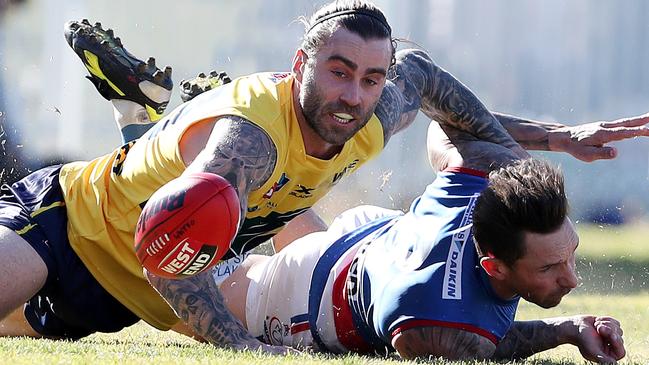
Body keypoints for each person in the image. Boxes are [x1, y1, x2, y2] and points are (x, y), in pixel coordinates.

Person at [0, 0, 644, 353]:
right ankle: (144, 120)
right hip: (71, 225)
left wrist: (557, 139)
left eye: (370, 78)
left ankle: (140, 116)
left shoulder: (376, 107)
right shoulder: (251, 140)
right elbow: (170, 260)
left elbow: (428, 84)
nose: (353, 95)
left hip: (125, 293)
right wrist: (253, 351)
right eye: (338, 71)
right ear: (301, 61)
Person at [214, 123, 625, 363]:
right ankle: (198, 166)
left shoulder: (485, 187)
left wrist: (559, 139)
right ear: (493, 266)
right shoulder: (436, 327)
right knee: (195, 297)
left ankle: (243, 181)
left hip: (379, 237)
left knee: (273, 208)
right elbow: (489, 342)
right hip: (315, 295)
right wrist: (563, 330)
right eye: (549, 269)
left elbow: (448, 125)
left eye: (569, 255)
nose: (571, 280)